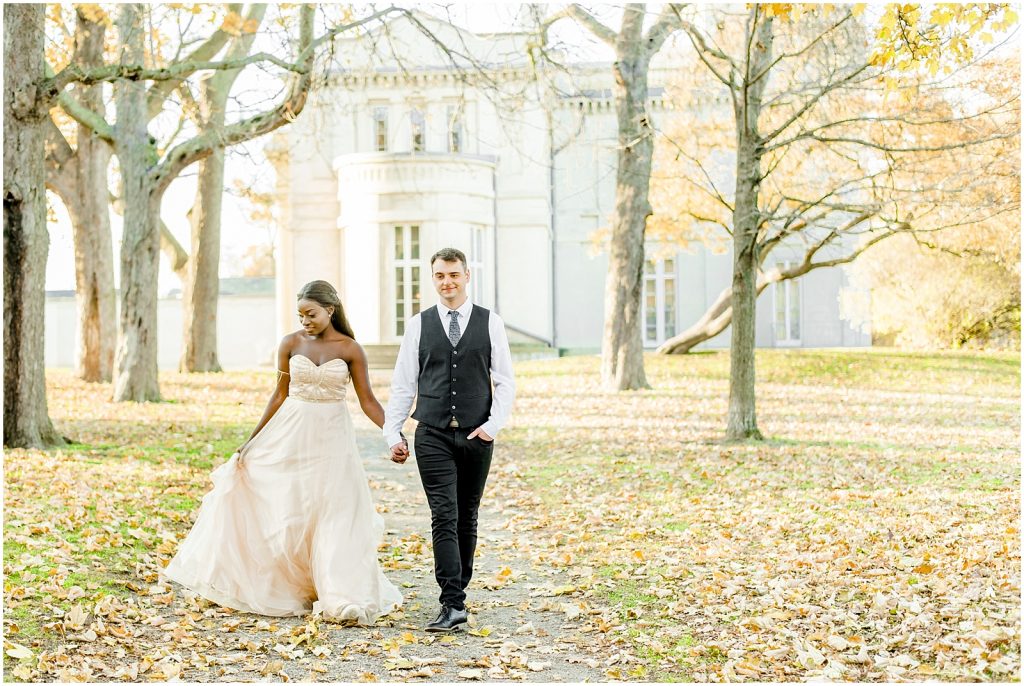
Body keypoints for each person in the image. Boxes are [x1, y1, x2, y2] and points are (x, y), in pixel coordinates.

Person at [164, 280, 402, 624]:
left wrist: (393, 434)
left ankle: (341, 595)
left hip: (333, 439)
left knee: (336, 512)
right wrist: (251, 441)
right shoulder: (290, 344)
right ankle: (294, 584)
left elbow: (368, 401)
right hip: (291, 434)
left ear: (330, 310)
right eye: (300, 315)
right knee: (293, 510)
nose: (305, 320)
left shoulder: (351, 349)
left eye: (311, 314)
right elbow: (279, 395)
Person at [384, 248, 515, 632]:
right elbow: (404, 383)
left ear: (466, 276)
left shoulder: (491, 323)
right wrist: (393, 431)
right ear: (433, 278)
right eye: (440, 275)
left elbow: (505, 380)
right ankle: (452, 602)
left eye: (453, 275)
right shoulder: (418, 325)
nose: (447, 282)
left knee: (466, 517)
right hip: (432, 435)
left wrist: (493, 425)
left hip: (477, 435)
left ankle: (458, 591)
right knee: (443, 515)